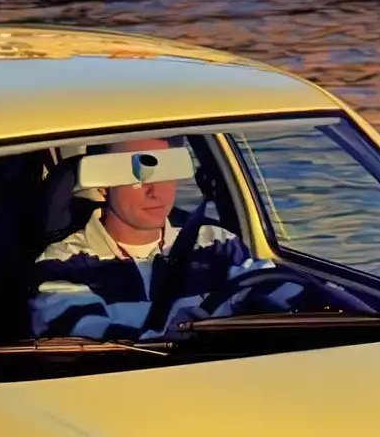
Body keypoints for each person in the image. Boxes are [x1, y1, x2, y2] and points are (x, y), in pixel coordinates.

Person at [29, 137, 272, 340]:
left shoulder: (217, 243)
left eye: (166, 172)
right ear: (103, 185)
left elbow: (272, 288)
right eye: (138, 175)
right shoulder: (63, 262)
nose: (156, 192)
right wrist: (170, 338)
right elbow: (84, 333)